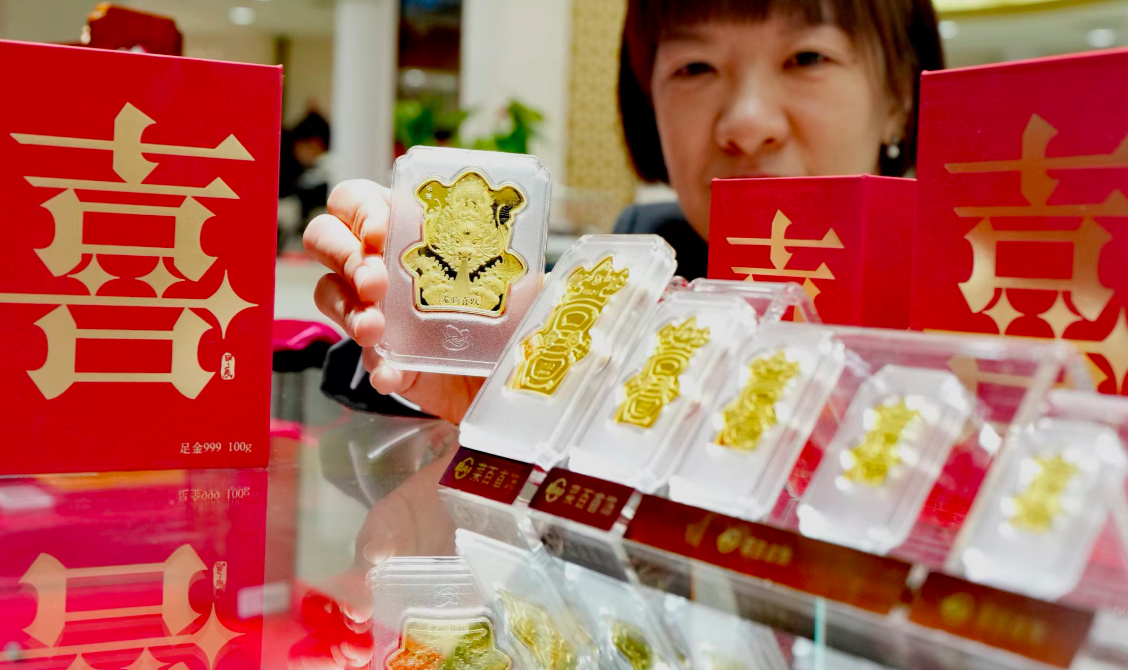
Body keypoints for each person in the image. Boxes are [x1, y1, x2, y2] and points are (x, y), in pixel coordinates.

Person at [303, 0, 944, 424]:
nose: (747, 123)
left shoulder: (972, 298)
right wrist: (450, 353)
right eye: (696, 67)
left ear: (900, 97)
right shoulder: (644, 262)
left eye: (807, 58)